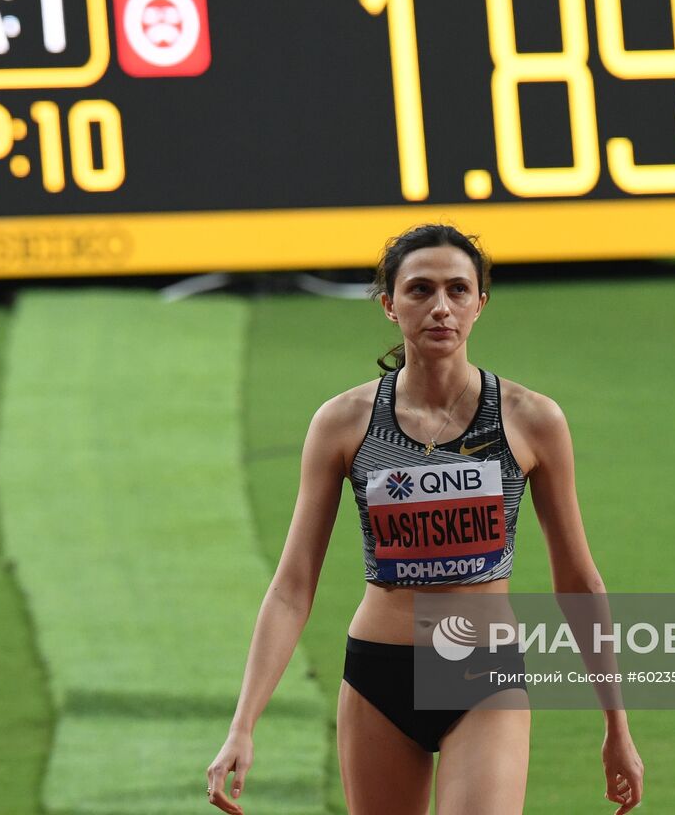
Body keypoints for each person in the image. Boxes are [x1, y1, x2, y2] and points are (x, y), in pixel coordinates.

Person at [206, 223, 645, 814]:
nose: (441, 307)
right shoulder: (344, 423)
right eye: (420, 290)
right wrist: (243, 725)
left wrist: (617, 725)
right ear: (389, 304)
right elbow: (291, 587)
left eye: (458, 290)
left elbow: (578, 580)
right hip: (377, 676)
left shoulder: (530, 420)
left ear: (480, 303)